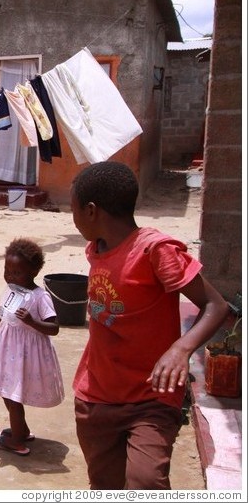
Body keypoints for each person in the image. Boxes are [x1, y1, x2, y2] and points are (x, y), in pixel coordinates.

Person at [70, 161, 230, 489]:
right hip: (96, 397)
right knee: (104, 484)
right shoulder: (96, 248)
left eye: (72, 211)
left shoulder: (155, 251)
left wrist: (182, 349)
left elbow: (216, 305)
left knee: (145, 482)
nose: (72, 221)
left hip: (151, 398)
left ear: (90, 211)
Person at [0, 237, 64, 457]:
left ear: (33, 272)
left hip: (27, 354)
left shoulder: (40, 297)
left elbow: (54, 327)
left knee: (13, 395)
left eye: (17, 273)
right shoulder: (9, 291)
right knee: (8, 393)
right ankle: (22, 430)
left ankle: (17, 439)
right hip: (7, 351)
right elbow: (2, 320)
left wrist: (32, 322)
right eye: (7, 270)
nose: (10, 276)